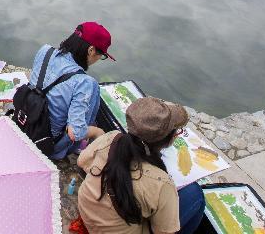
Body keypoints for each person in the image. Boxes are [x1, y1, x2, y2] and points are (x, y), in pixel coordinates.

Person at [77, 97, 206, 234]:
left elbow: (81, 161)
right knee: (196, 194)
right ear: (168, 138)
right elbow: (164, 232)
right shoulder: (161, 182)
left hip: (88, 213)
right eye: (177, 132)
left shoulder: (111, 137)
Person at [31, 22, 113, 160]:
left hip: (29, 120)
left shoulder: (45, 51)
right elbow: (75, 132)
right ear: (91, 50)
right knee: (94, 91)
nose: (100, 59)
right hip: (48, 144)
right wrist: (97, 132)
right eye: (102, 55)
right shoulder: (84, 82)